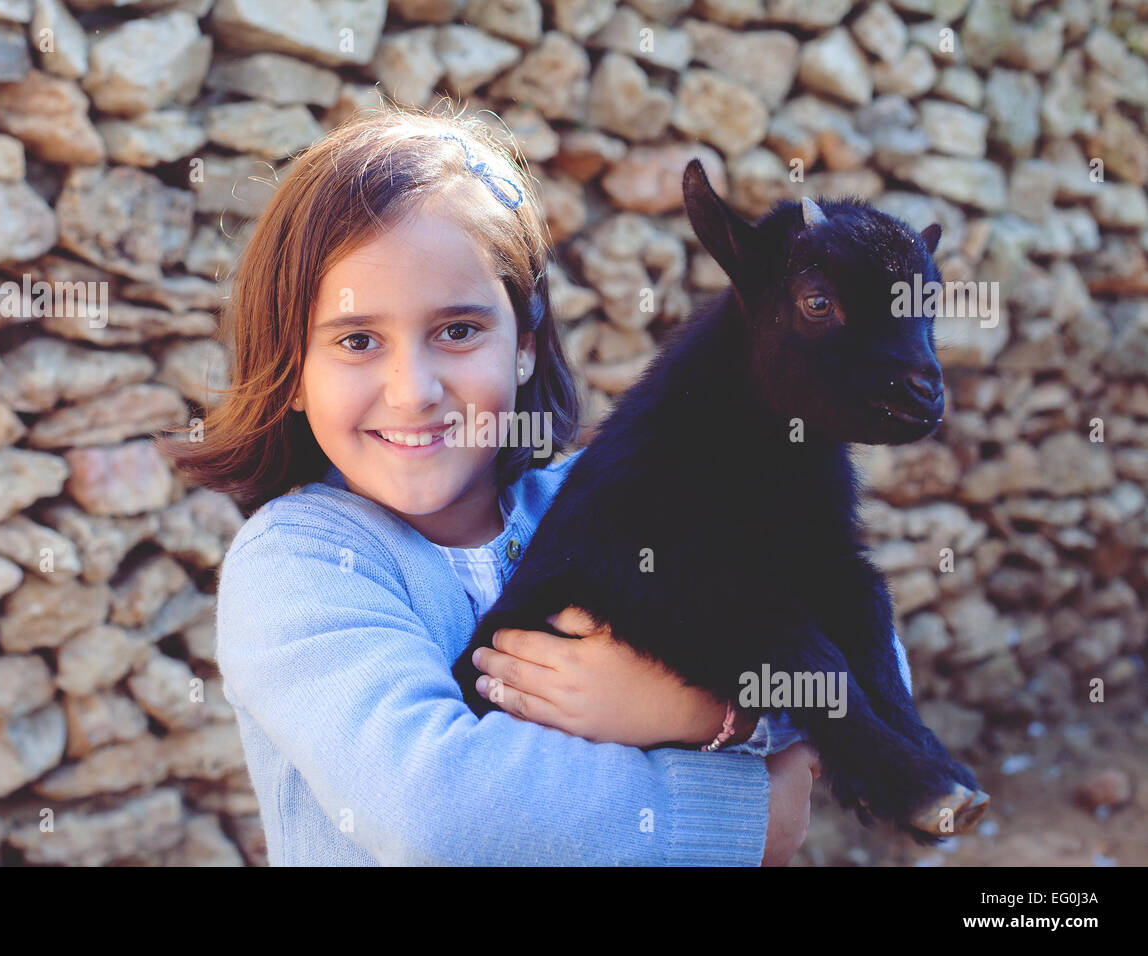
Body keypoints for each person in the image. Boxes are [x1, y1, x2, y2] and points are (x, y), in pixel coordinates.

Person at [159, 104, 912, 865]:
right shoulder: (300, 569)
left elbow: (860, 648)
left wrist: (701, 711)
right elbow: (443, 814)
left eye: (458, 331)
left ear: (523, 346)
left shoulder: (610, 503)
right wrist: (740, 814)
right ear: (290, 370)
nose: (413, 390)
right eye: (357, 341)